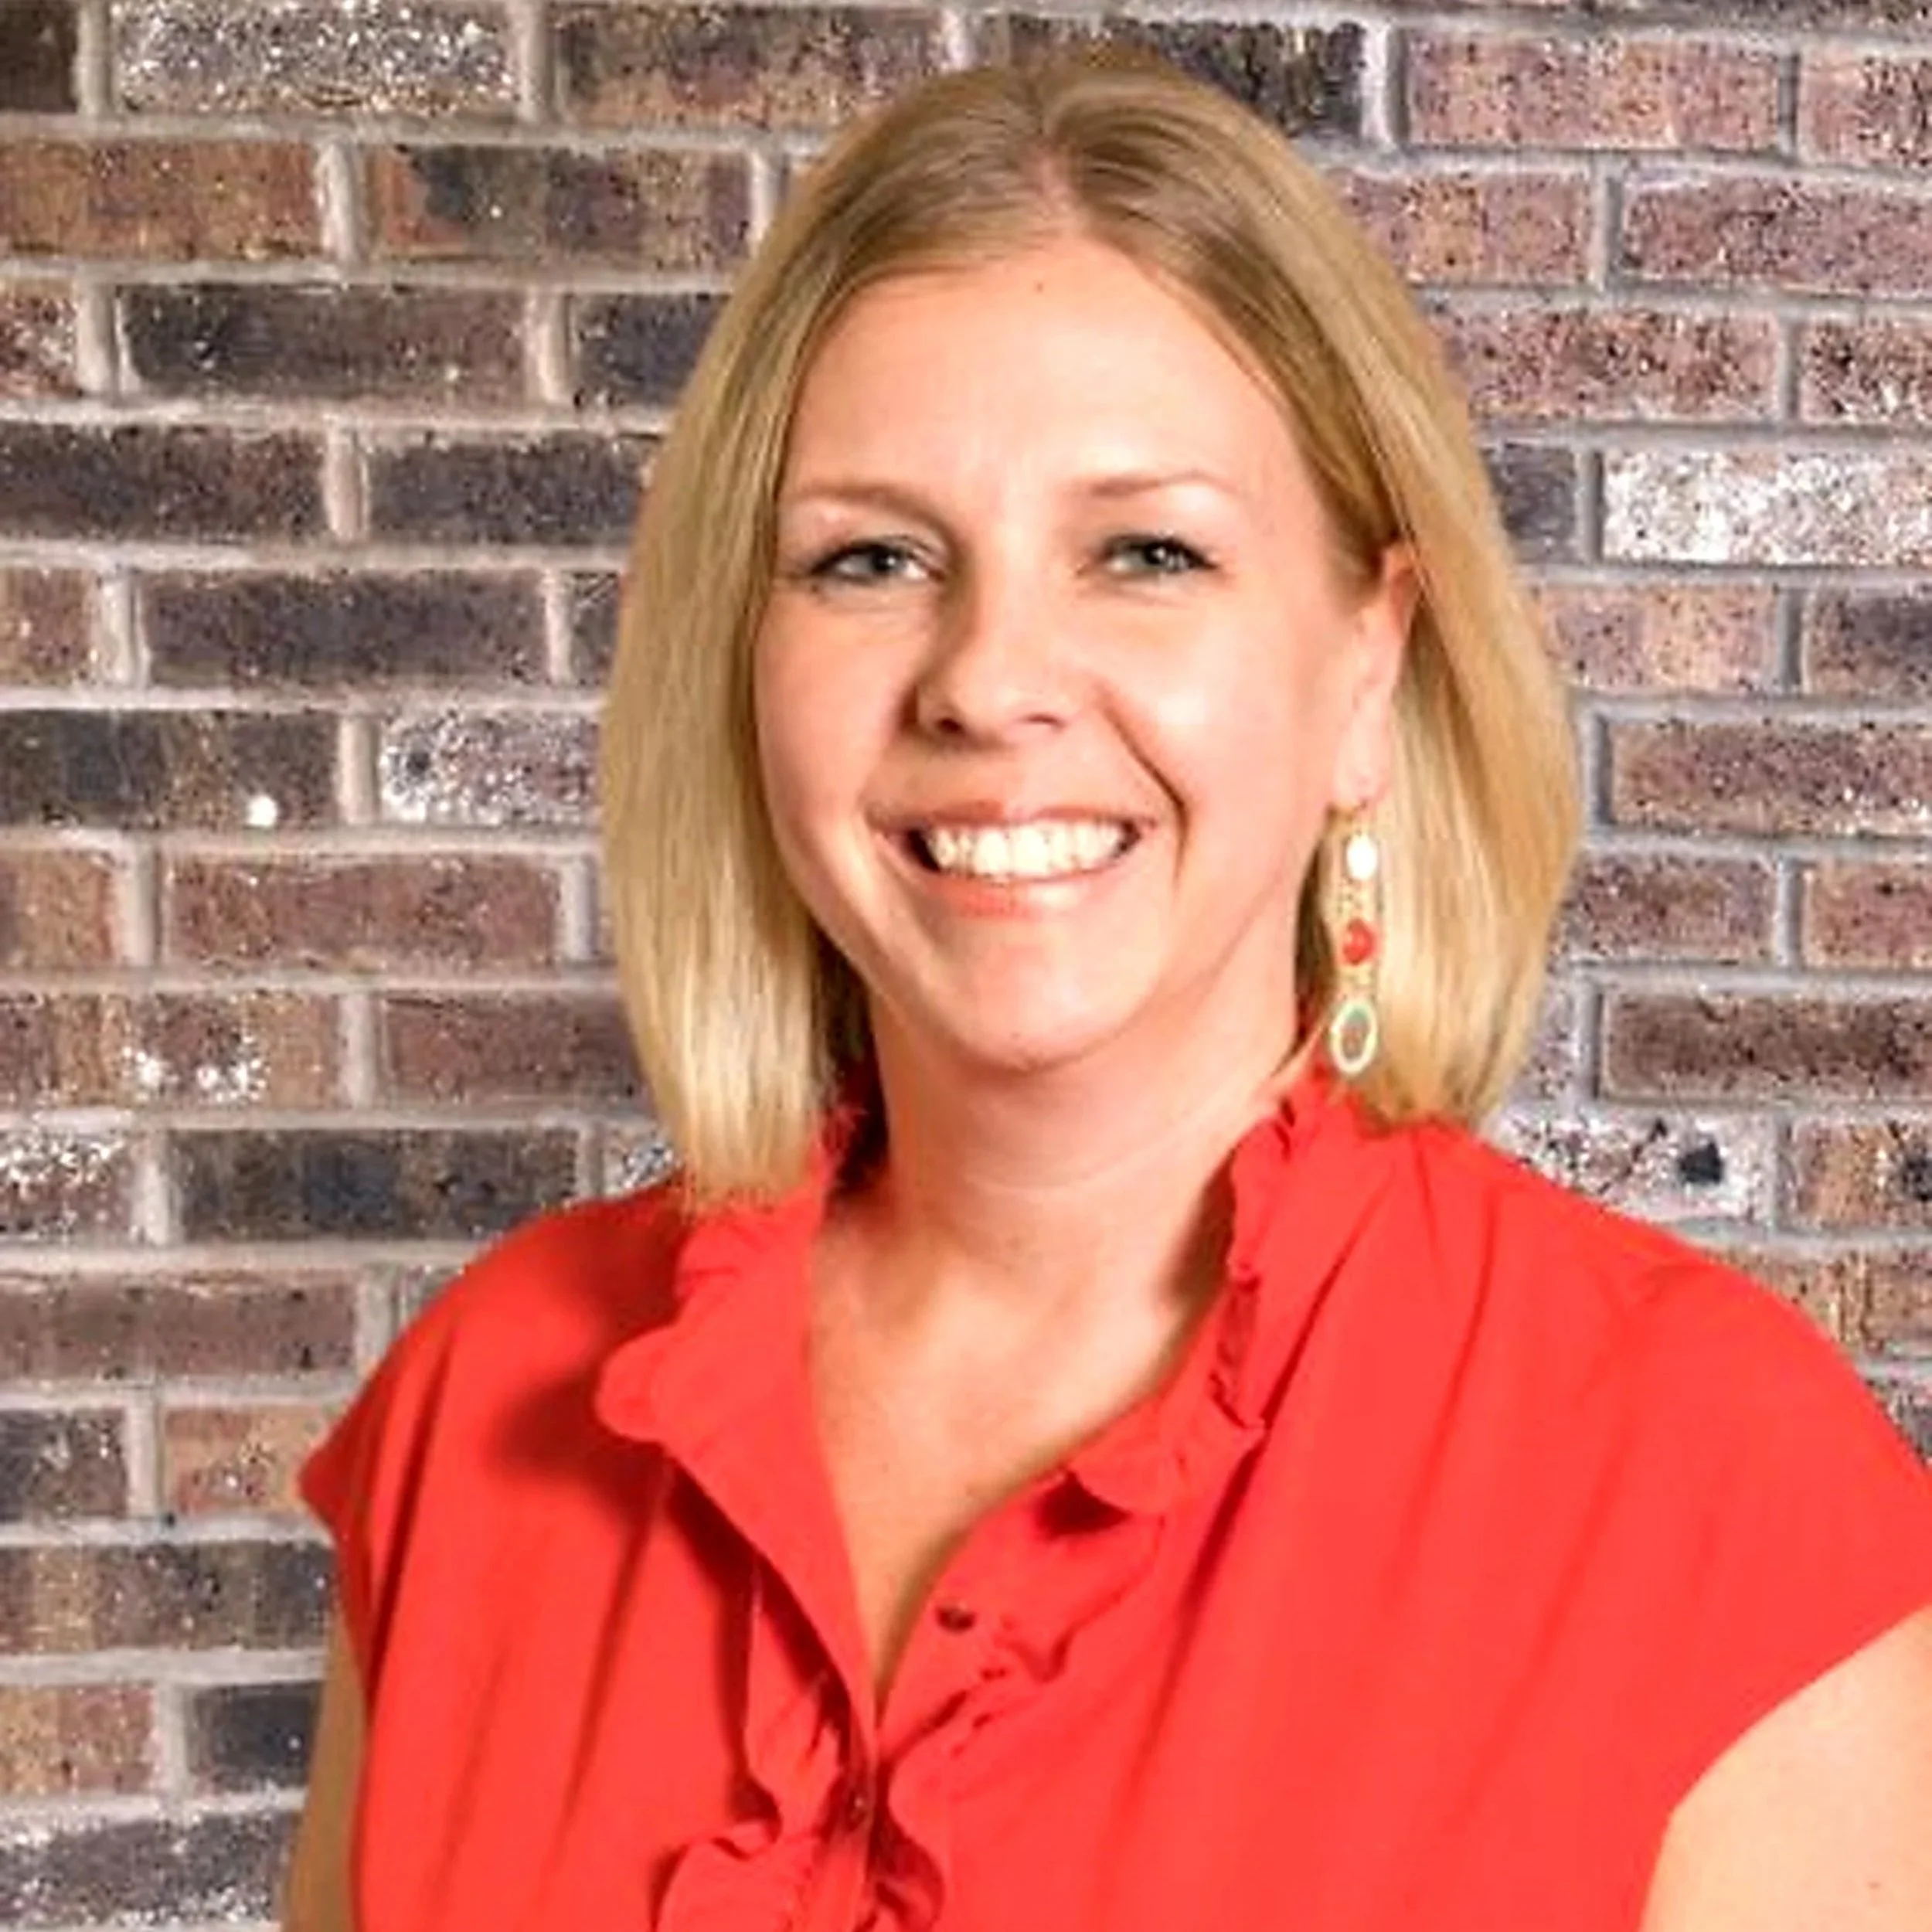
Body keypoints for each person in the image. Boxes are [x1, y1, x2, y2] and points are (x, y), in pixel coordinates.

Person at [284, 49, 1932, 1932]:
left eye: (1145, 553)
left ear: (1364, 670)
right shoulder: (484, 1406)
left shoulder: (1710, 1489)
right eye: (871, 558)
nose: (989, 678)